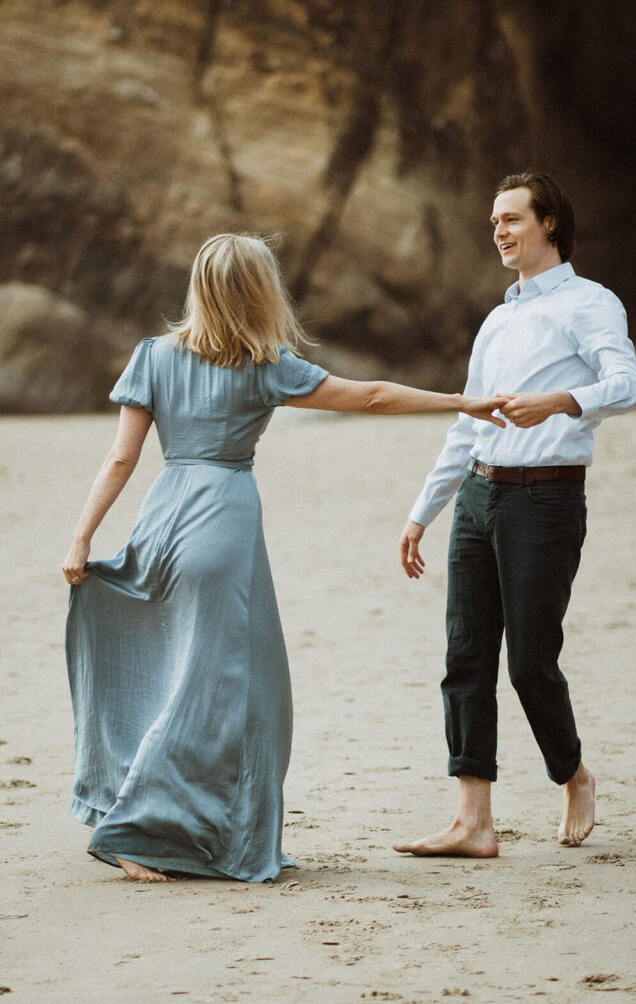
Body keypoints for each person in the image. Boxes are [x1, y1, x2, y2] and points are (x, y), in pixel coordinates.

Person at [62, 233, 508, 884]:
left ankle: (169, 825)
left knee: (179, 675)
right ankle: (138, 831)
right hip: (221, 528)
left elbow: (121, 458)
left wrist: (81, 538)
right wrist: (462, 402)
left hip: (161, 519)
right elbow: (372, 396)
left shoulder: (153, 356)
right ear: (258, 292)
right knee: (230, 695)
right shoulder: (263, 365)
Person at [394, 172, 636, 858]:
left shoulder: (588, 303)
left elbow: (629, 385)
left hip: (545, 498)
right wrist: (423, 512)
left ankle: (571, 774)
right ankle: (473, 821)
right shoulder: (497, 319)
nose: (500, 231)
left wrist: (561, 400)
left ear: (549, 225)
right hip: (478, 496)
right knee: (464, 657)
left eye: (511, 219)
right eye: (493, 223)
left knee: (530, 662)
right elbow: (464, 425)